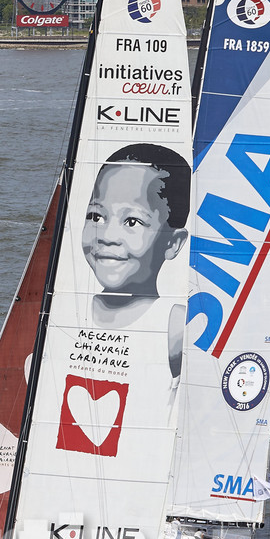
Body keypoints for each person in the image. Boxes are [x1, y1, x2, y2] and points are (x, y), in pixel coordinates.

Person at [80, 142, 192, 377]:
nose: (107, 237)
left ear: (173, 243)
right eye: (96, 216)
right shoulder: (63, 307)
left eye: (132, 222)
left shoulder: (176, 326)